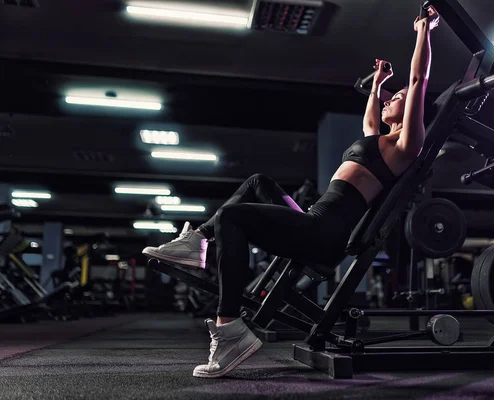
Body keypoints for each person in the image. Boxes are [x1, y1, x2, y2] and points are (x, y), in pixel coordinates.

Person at [142, 6, 440, 379]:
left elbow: (417, 81)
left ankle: (230, 327)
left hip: (325, 234)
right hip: (313, 221)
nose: (387, 101)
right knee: (257, 182)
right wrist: (378, 83)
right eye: (386, 99)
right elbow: (369, 118)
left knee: (234, 217)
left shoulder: (404, 148)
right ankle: (198, 242)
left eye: (393, 99)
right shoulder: (375, 139)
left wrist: (423, 31)